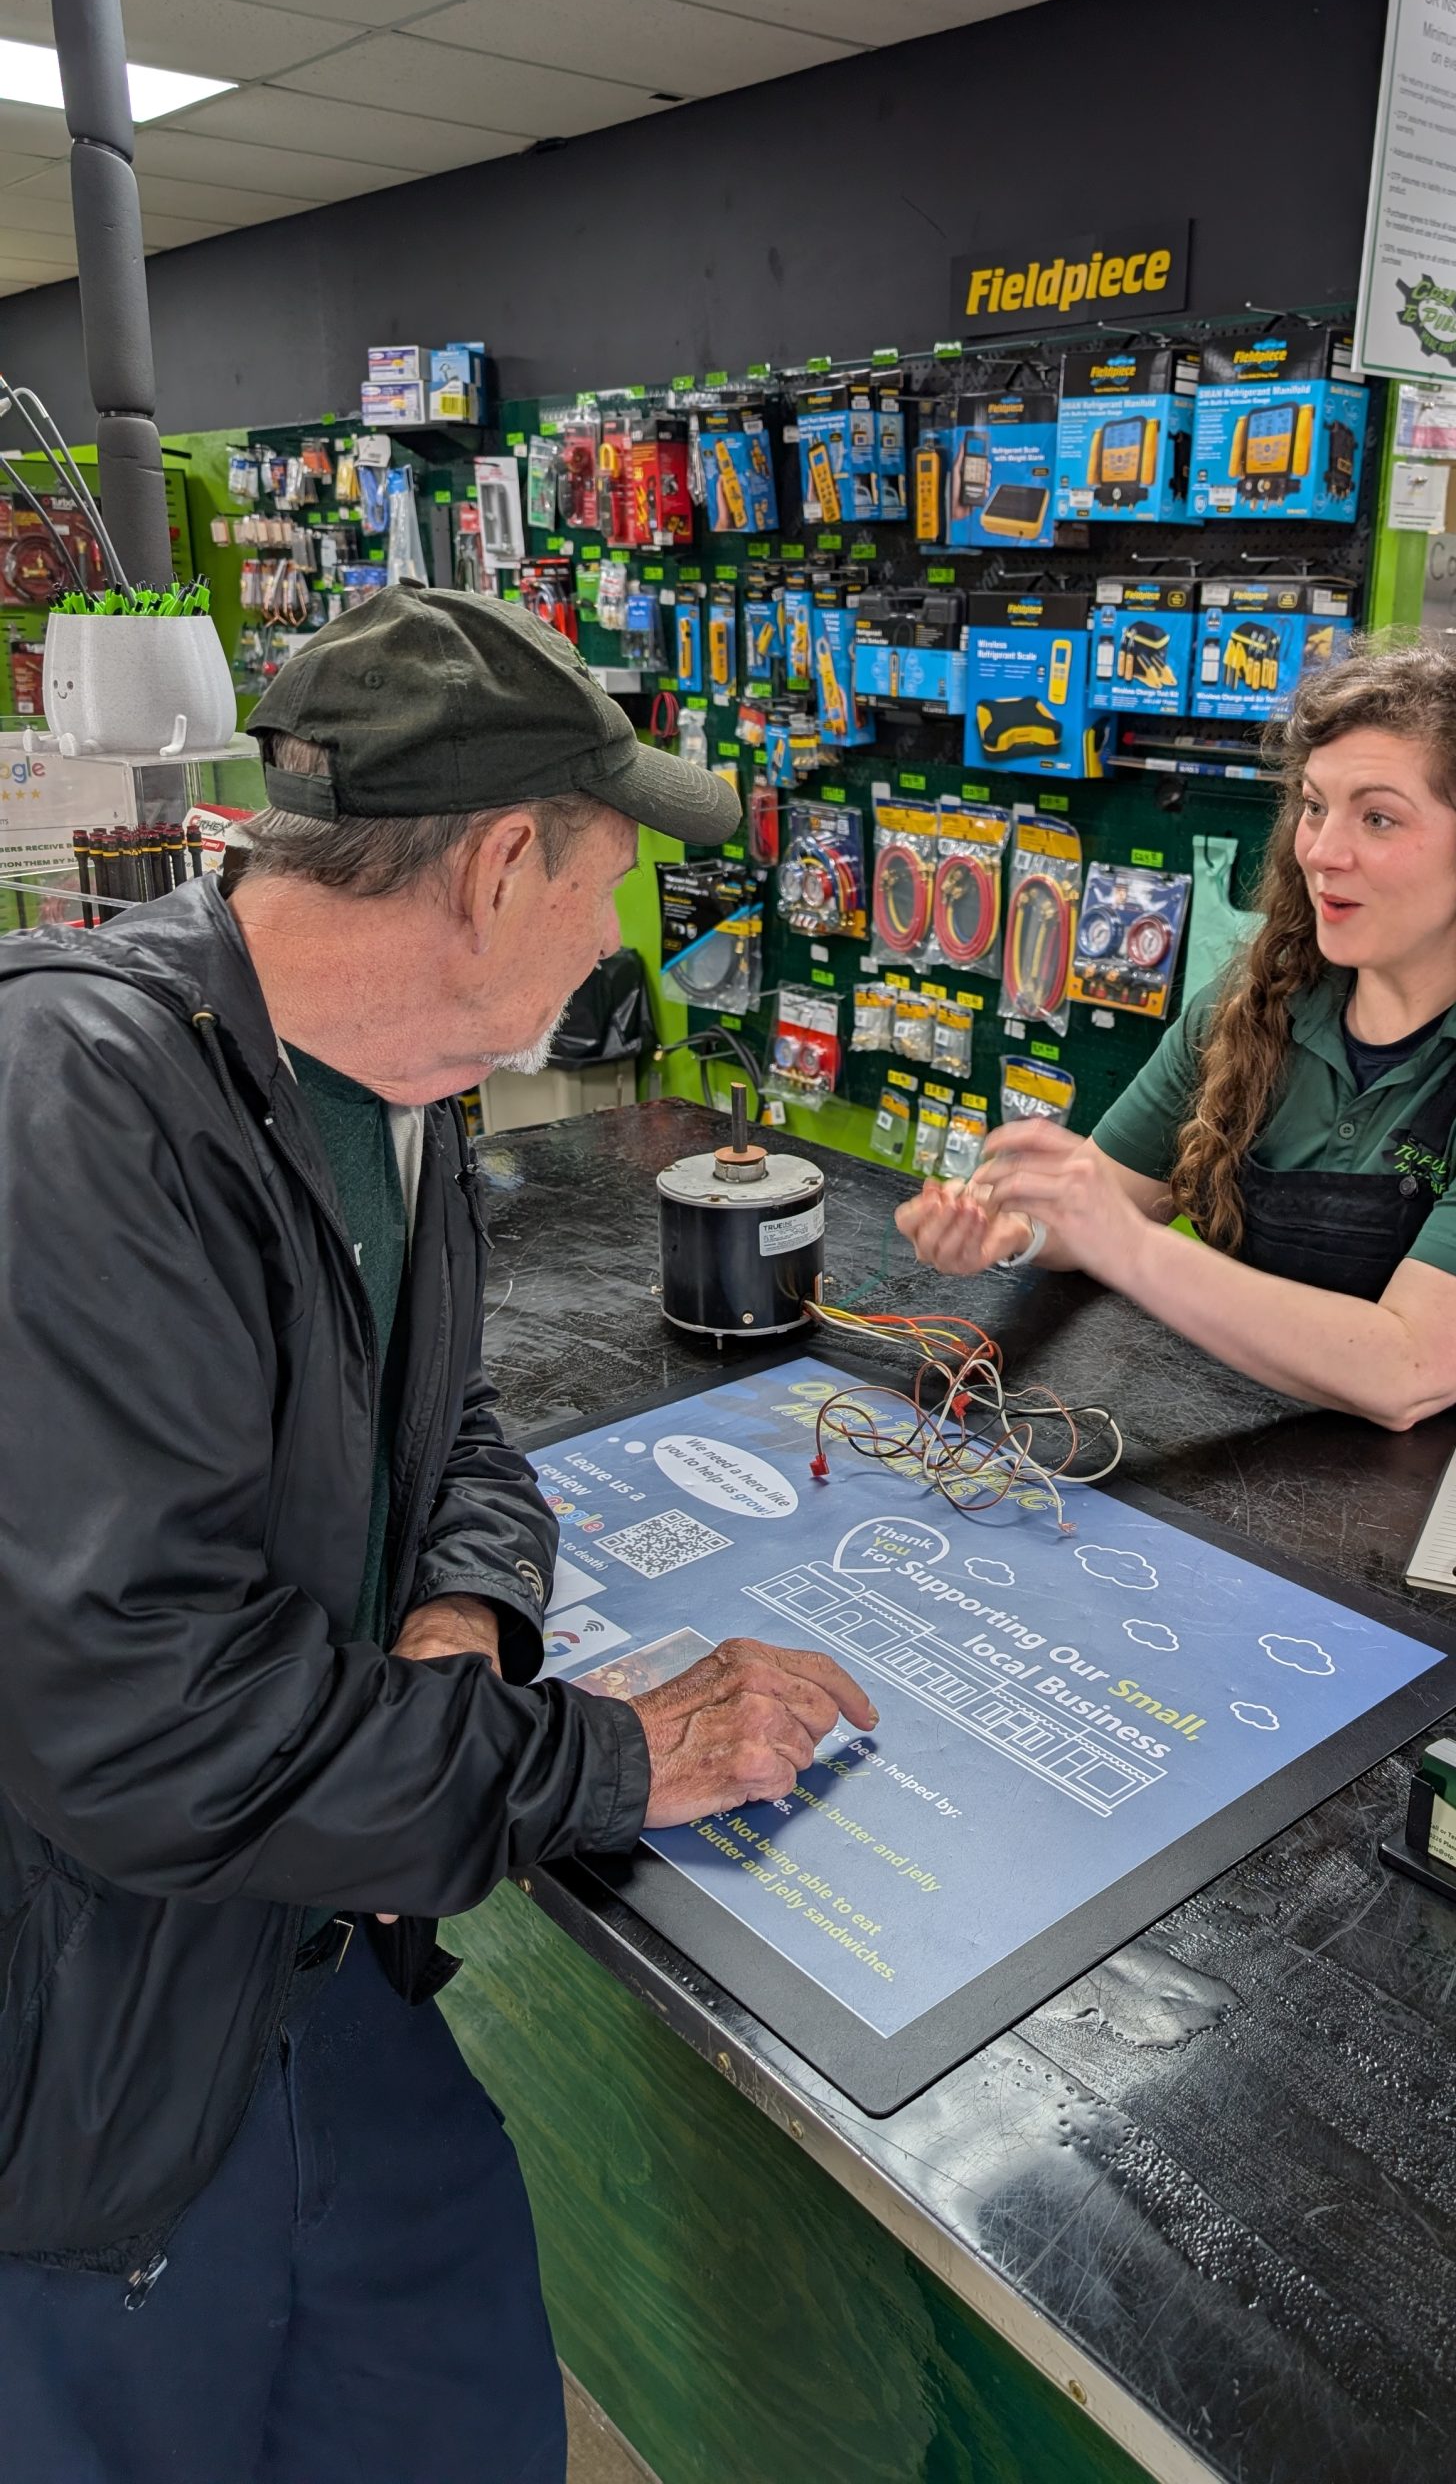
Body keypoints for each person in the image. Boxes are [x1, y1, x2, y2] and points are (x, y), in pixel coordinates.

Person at [0, 588, 875, 2484]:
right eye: (606, 883)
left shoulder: (397, 1086)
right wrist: (609, 1761)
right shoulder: (72, 1111)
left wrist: (464, 1618)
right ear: (496, 868)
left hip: (331, 1968)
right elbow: (148, 1732)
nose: (615, 935)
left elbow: (447, 1418)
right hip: (96, 2067)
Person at [899, 647, 1456, 1427]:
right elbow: (1103, 1209)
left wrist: (1129, 1247)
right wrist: (1017, 1229)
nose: (1322, 852)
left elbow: (1410, 1371)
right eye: (1314, 806)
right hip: (1259, 1439)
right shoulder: (1255, 1008)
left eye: (1377, 818)